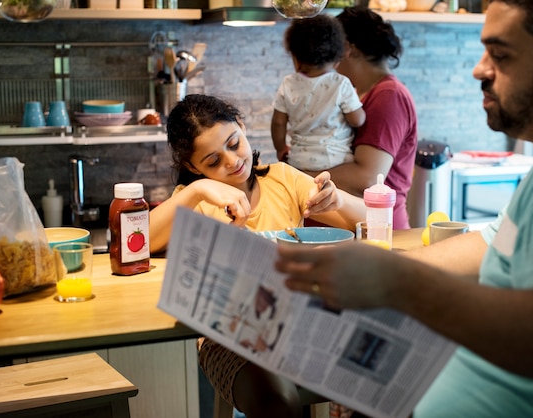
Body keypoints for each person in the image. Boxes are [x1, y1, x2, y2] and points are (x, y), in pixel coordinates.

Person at [276, 1, 533, 417]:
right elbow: (492, 245)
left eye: (500, 55)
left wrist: (395, 283)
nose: (479, 69)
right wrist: (367, 263)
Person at [148, 94, 366, 418]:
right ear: (192, 167)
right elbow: (138, 242)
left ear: (242, 126)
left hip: (303, 320)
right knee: (278, 404)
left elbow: (367, 220)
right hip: (227, 336)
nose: (232, 162)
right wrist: (196, 190)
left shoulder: (282, 178)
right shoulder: (194, 201)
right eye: (212, 162)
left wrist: (338, 201)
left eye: (234, 144)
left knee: (378, 381)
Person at [304, 6, 418, 230]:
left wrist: (297, 174)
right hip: (356, 228)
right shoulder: (357, 96)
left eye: (332, 48)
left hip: (378, 231)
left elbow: (367, 177)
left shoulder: (389, 96)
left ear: (348, 48)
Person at [271, 14, 366, 171]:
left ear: (296, 58)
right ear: (337, 60)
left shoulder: (288, 83)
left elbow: (278, 123)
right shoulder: (341, 83)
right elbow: (357, 120)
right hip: (336, 160)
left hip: (298, 162)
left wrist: (280, 148)